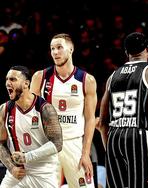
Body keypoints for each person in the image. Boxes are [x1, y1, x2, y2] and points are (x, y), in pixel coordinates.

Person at [97, 32, 148, 188]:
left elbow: (102, 122)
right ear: (147, 50)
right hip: (138, 136)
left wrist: (110, 149)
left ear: (126, 52)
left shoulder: (112, 76)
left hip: (114, 137)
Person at [30, 33, 97, 188]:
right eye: (52, 48)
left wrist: (86, 153)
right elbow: (30, 116)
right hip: (47, 144)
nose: (55, 52)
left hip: (74, 144)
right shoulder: (40, 77)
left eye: (59, 47)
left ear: (71, 49)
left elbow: (90, 119)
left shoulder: (86, 80)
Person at [0, 65, 63, 187]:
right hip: (17, 173)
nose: (8, 83)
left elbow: (57, 144)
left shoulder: (45, 109)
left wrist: (27, 157)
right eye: (7, 79)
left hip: (44, 173)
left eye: (13, 79)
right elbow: (0, 143)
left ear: (26, 84)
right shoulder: (4, 110)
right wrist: (12, 167)